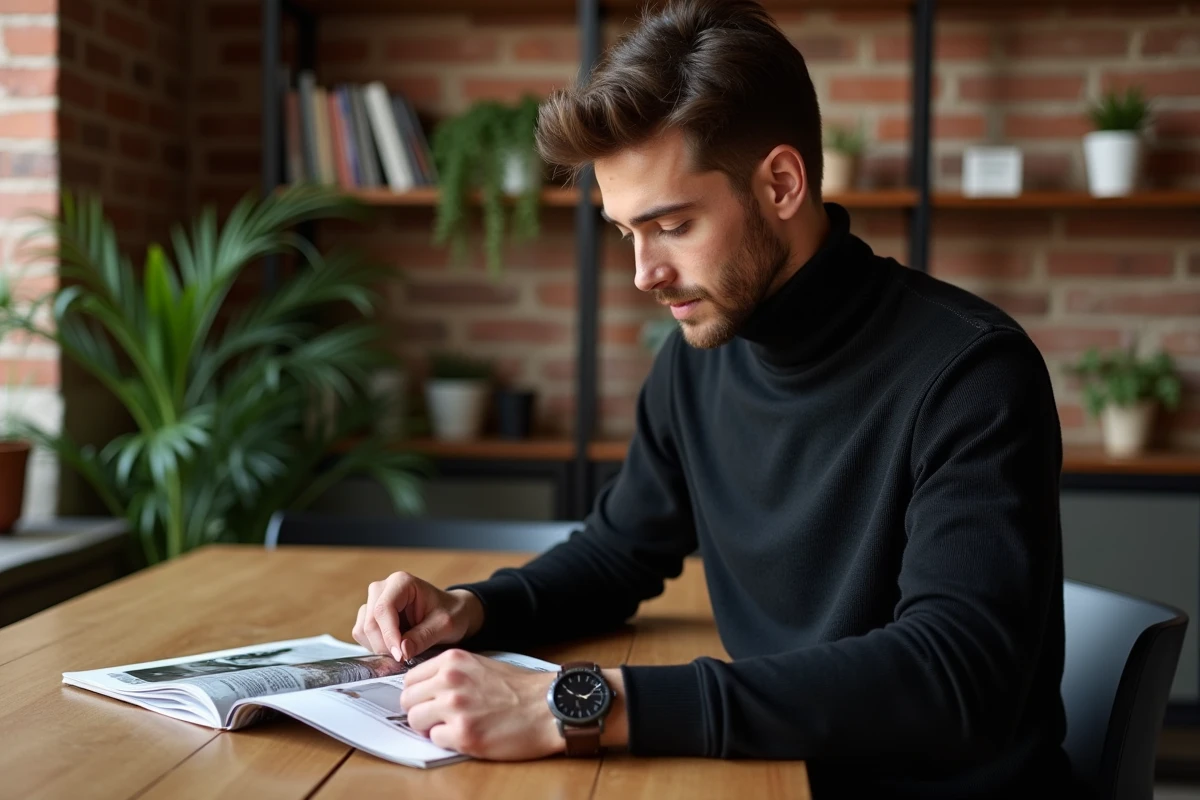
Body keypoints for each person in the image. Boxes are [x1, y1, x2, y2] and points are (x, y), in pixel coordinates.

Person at [352, 1, 1078, 795]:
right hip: (781, 775)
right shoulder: (701, 357)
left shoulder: (972, 374)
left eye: (672, 224)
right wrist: (471, 610)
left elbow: (956, 673)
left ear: (781, 183)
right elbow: (620, 550)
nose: (643, 274)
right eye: (626, 231)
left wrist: (579, 703)